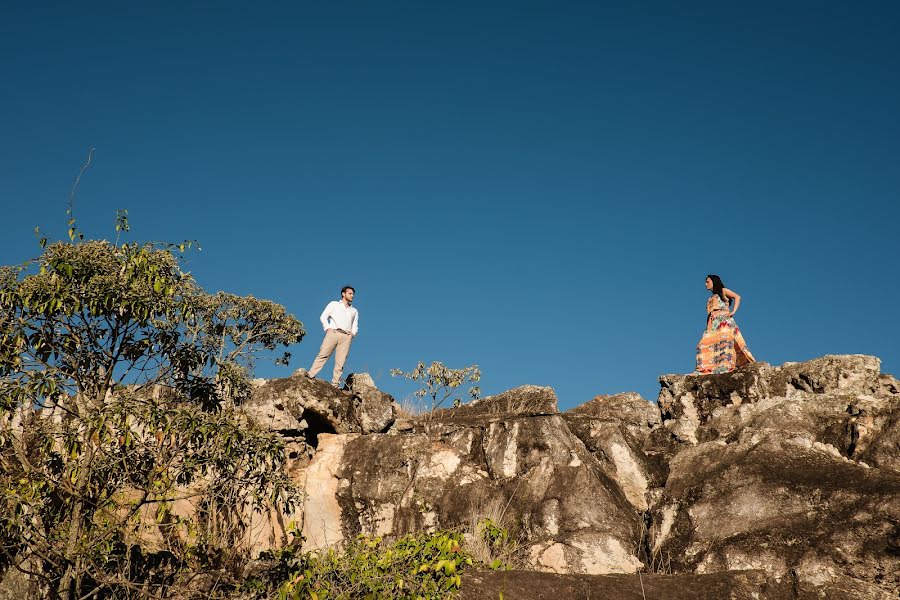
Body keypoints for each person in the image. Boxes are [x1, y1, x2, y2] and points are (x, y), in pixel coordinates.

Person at [695, 274, 755, 374]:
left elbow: (737, 297)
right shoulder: (710, 299)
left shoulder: (723, 291)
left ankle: (724, 367)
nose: (706, 284)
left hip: (724, 322)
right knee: (702, 345)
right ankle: (707, 368)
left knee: (724, 345)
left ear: (714, 281)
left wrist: (733, 311)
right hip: (713, 324)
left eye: (707, 281)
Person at [306, 286, 359, 385]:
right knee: (323, 354)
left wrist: (352, 334)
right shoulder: (334, 304)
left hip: (346, 337)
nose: (352, 296)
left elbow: (355, 325)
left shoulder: (354, 311)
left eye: (353, 294)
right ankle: (310, 374)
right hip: (333, 333)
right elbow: (323, 316)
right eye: (350, 293)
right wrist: (328, 328)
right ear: (343, 294)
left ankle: (335, 384)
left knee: (341, 361)